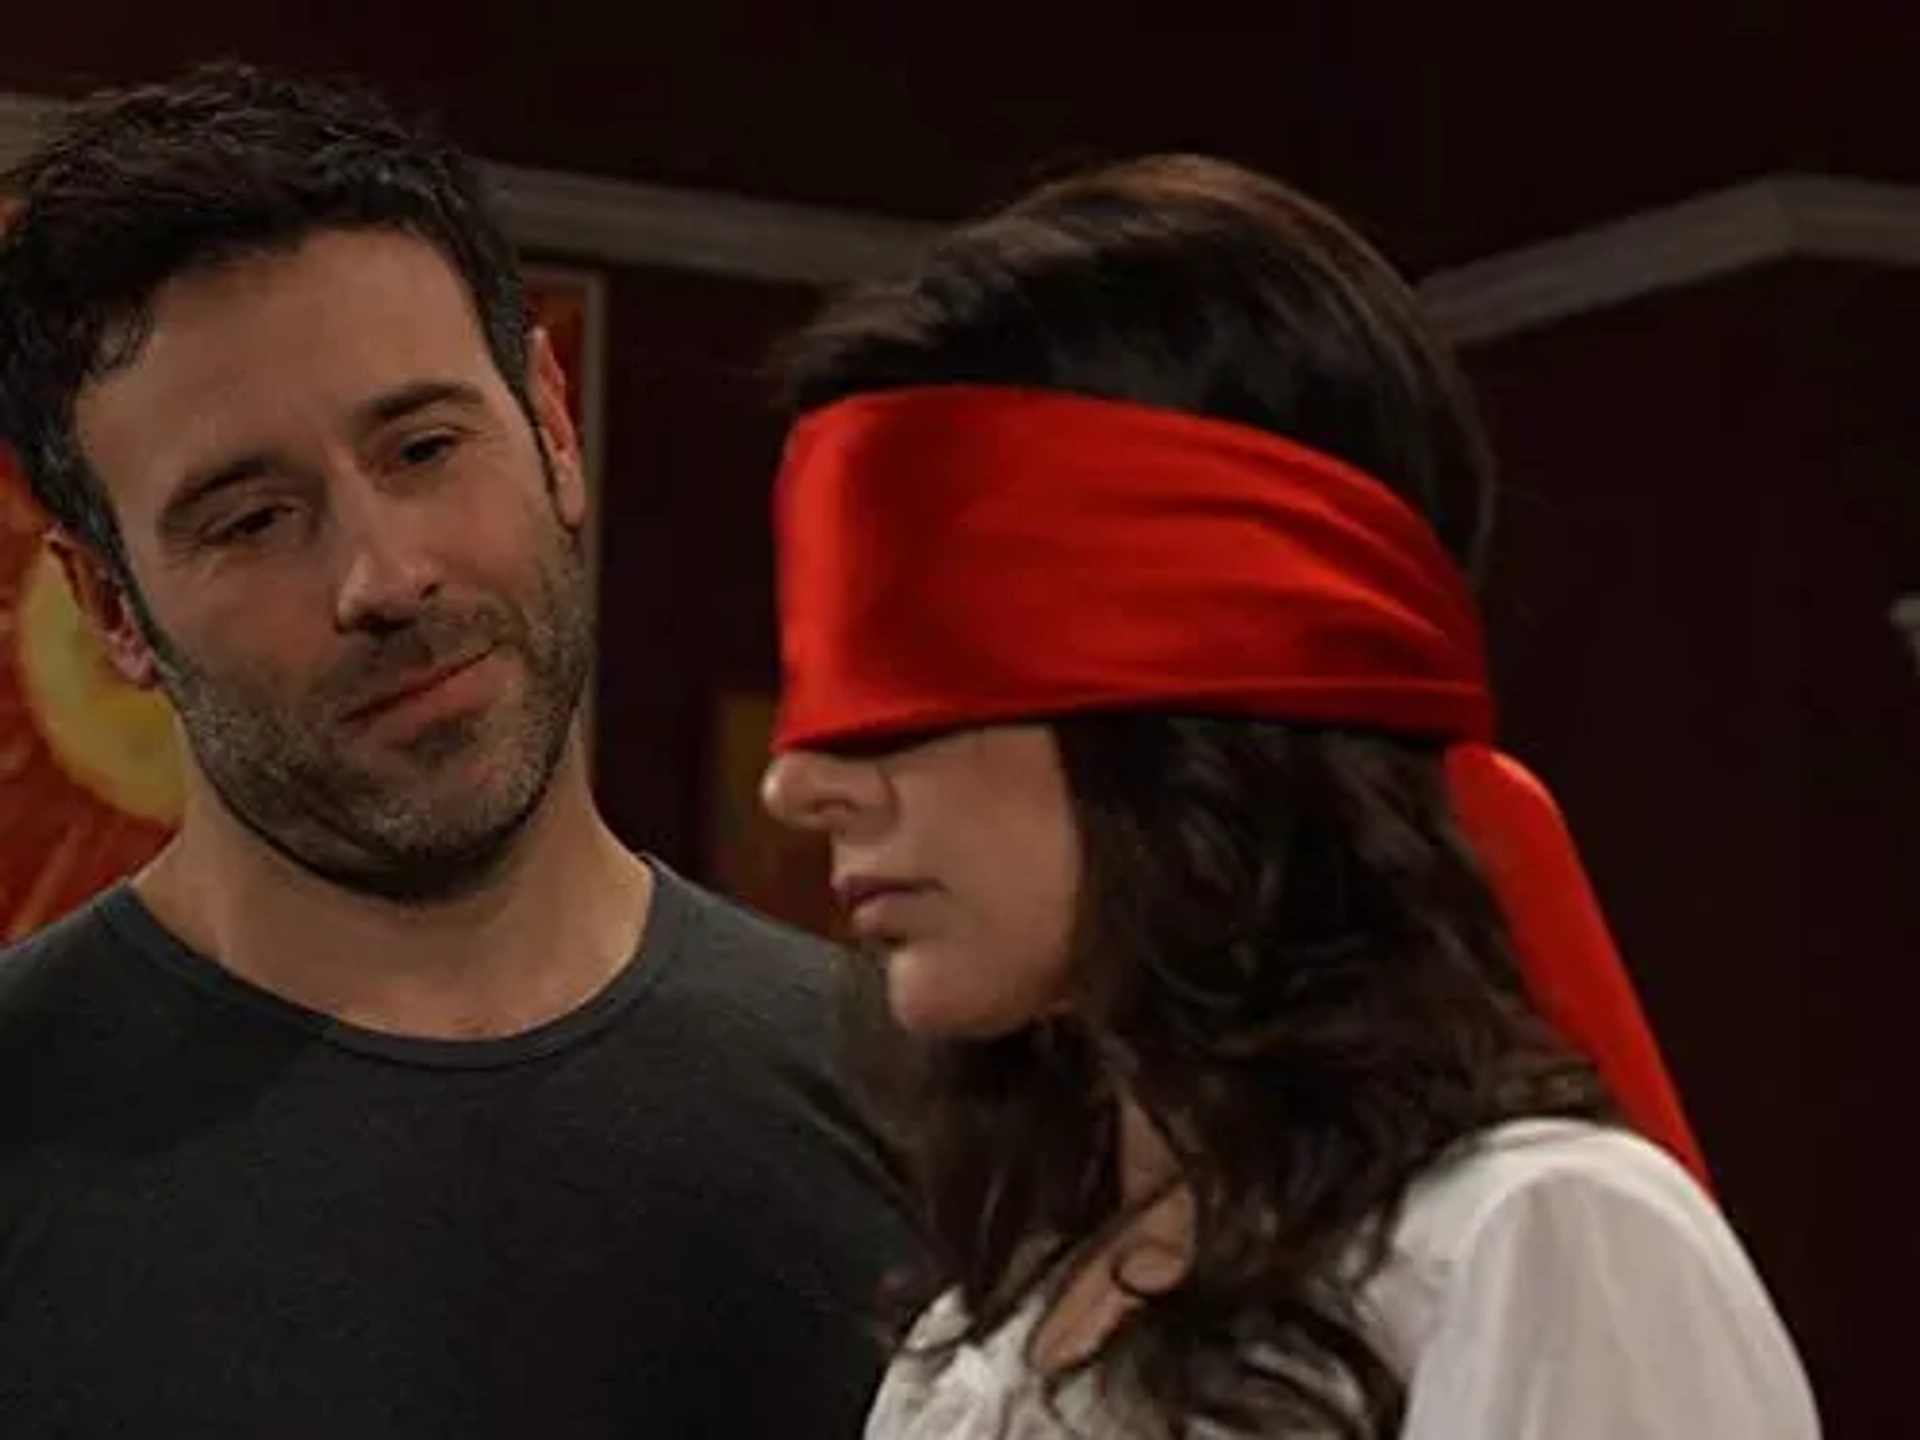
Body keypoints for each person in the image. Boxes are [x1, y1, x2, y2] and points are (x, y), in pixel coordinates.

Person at [758, 155, 1821, 1437]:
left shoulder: (1522, 1250)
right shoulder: (973, 1347)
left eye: (906, 682)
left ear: (1197, 677)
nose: (797, 782)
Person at [0, 62, 917, 1437]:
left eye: (424, 448)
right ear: (112, 608)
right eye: (251, 521)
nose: (386, 576)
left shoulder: (932, 1115)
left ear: (549, 424)